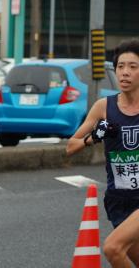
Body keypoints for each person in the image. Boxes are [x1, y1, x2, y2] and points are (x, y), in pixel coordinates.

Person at [66, 39, 139, 268]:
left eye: (133, 67)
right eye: (120, 67)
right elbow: (71, 146)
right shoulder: (103, 107)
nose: (125, 72)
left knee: (112, 248)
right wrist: (94, 137)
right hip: (119, 200)